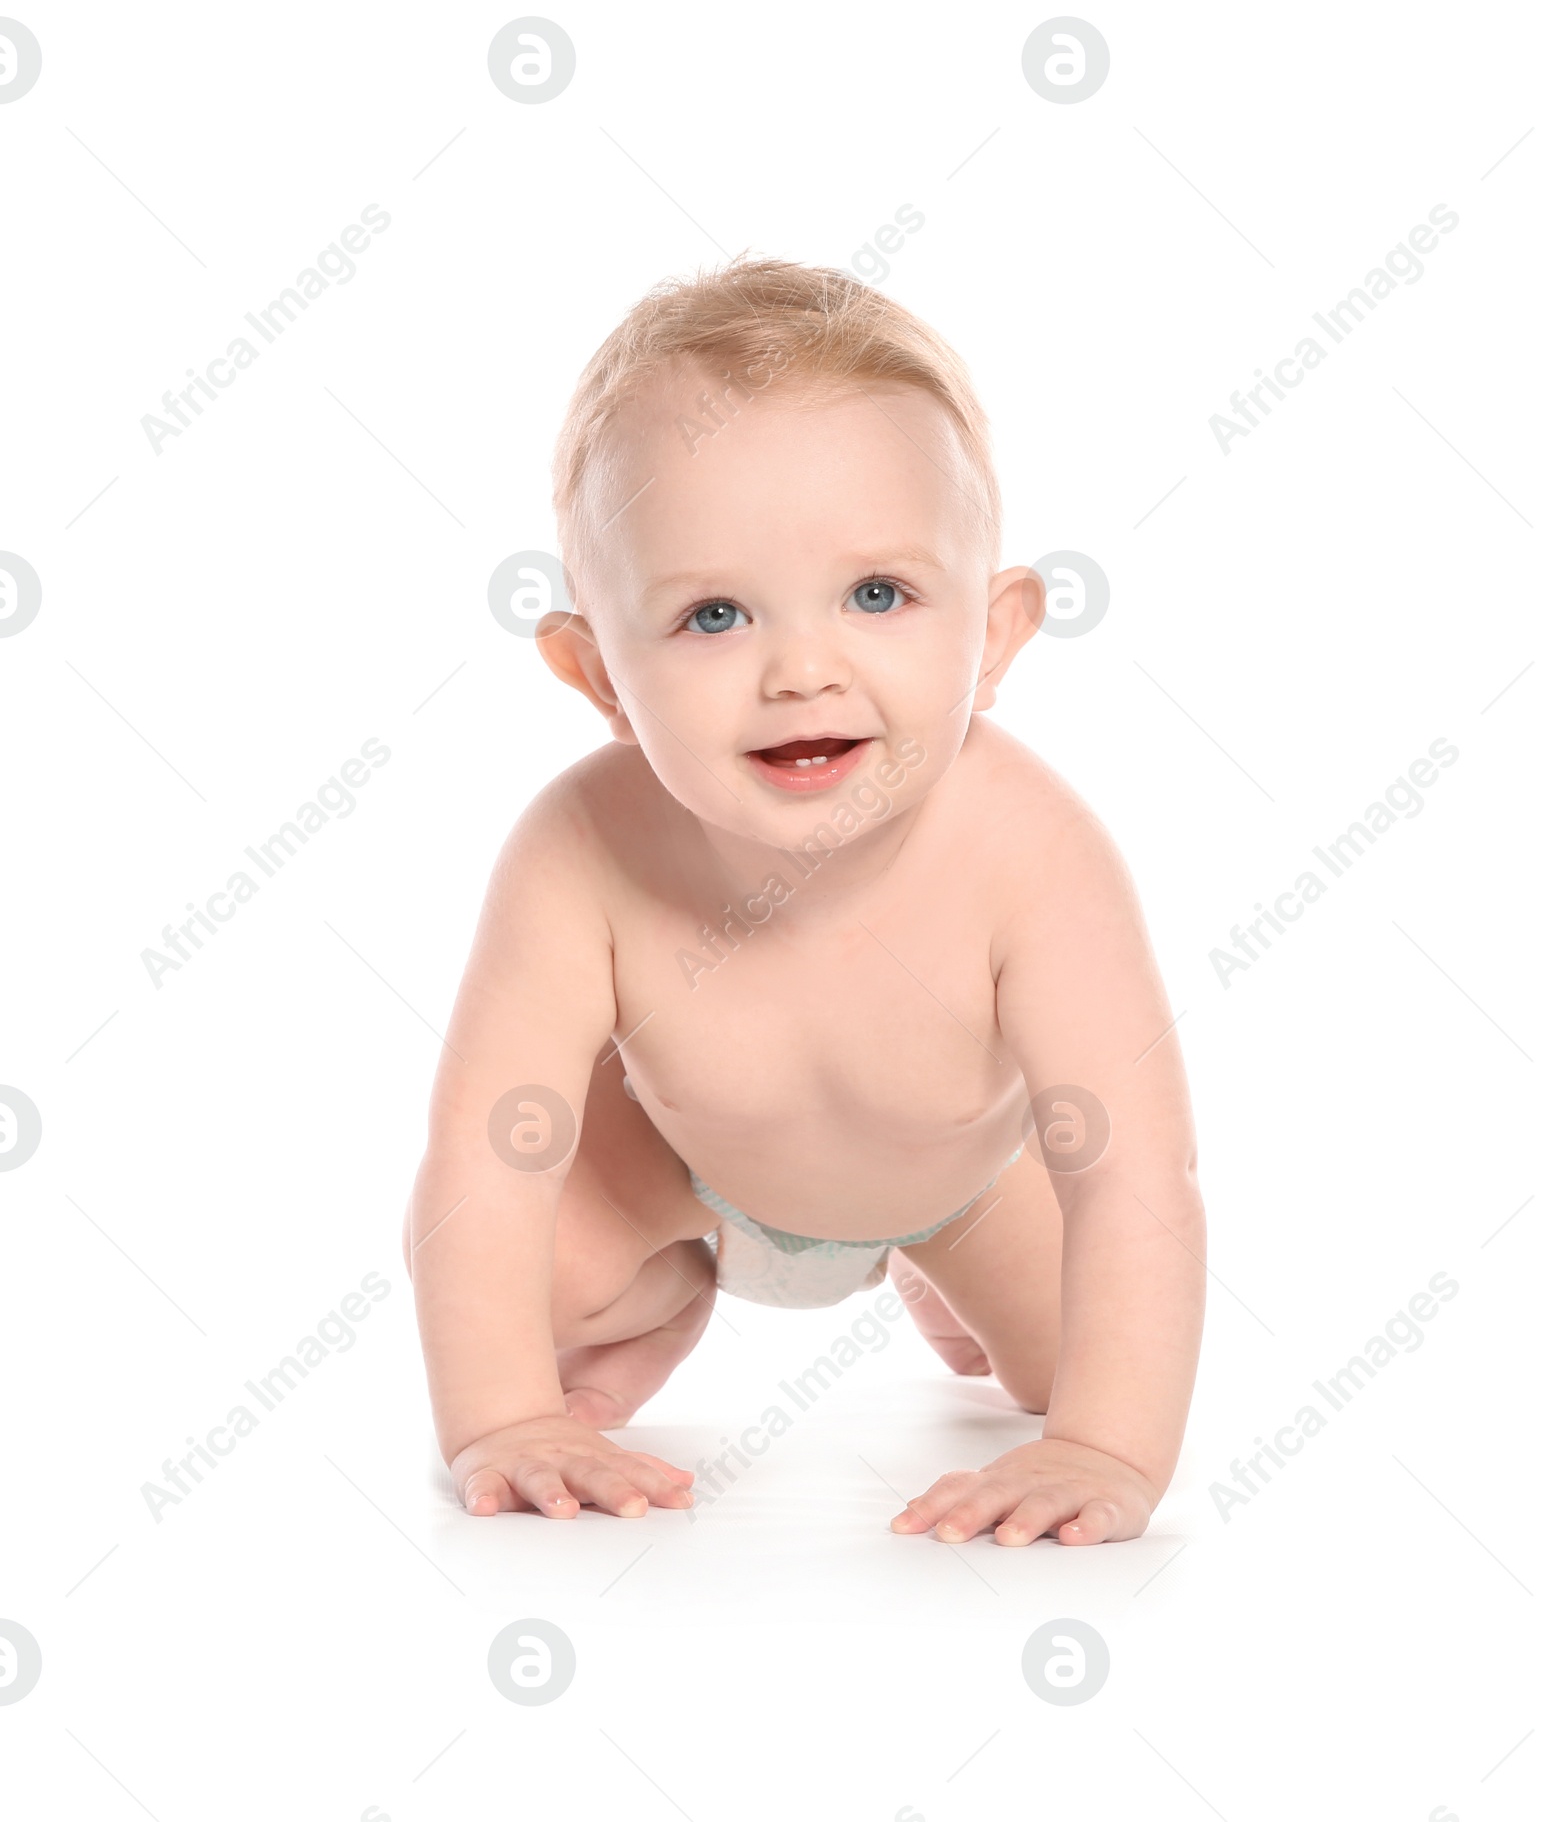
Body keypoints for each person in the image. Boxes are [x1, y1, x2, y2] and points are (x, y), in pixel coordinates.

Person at [404, 258, 1203, 1546]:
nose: (802, 670)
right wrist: (501, 1420)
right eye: (714, 614)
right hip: (679, 1169)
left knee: (1079, 1364)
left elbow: (1134, 1172)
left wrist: (1107, 1453)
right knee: (525, 1288)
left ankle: (937, 1276)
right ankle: (667, 1299)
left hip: (963, 1184)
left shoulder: (1035, 856)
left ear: (993, 638)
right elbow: (488, 1157)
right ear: (597, 672)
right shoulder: (577, 847)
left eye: (878, 594)